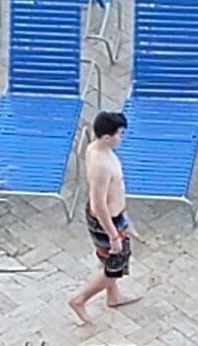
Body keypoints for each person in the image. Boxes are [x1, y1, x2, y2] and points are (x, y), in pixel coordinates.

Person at [67, 111, 139, 326]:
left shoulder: (96, 148)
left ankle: (114, 296)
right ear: (107, 137)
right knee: (114, 266)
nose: (122, 137)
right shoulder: (101, 165)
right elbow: (99, 205)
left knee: (107, 259)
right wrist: (114, 236)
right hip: (107, 222)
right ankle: (80, 300)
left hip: (115, 217)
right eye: (119, 134)